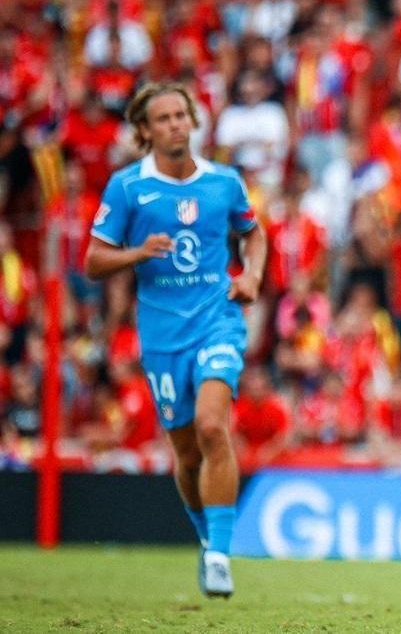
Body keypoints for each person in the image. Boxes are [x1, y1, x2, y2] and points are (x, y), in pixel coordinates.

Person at [85, 82, 267, 599]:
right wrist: (137, 253)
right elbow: (94, 261)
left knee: (213, 426)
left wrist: (252, 274)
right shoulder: (127, 188)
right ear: (144, 130)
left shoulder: (223, 182)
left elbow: (253, 232)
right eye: (162, 119)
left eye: (180, 115)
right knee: (187, 454)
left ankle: (219, 557)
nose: (174, 125)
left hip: (218, 318)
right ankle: (208, 535)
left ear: (194, 121)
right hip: (163, 336)